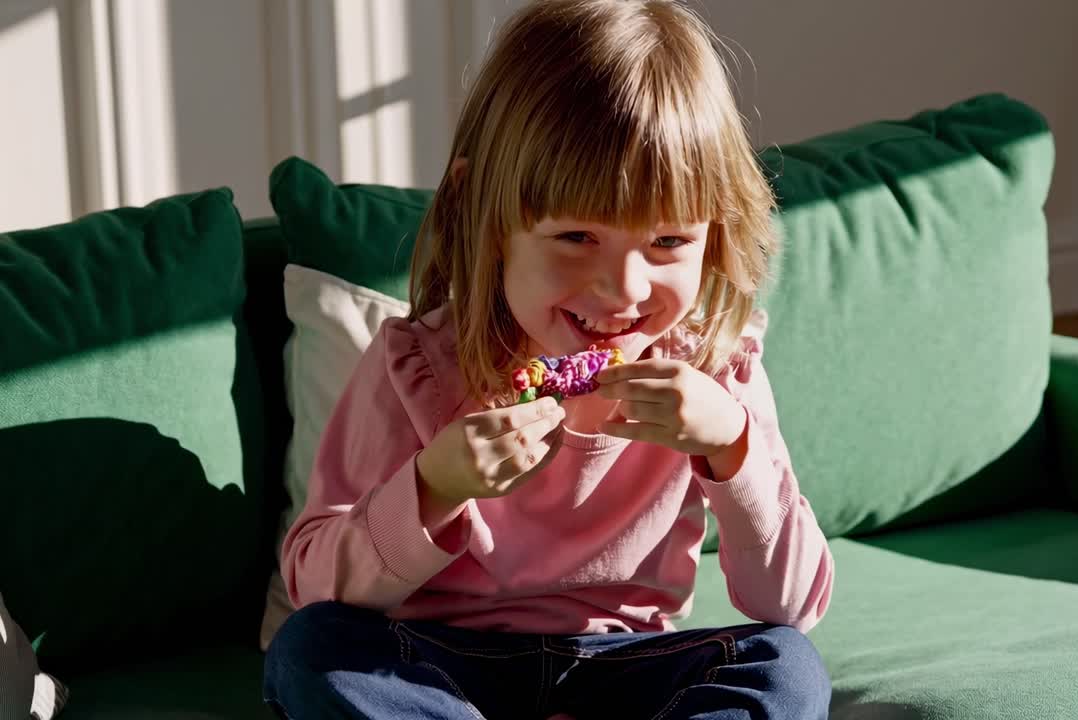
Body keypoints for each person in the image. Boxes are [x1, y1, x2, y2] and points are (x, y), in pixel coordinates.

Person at [264, 1, 834, 718]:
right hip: (435, 664)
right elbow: (316, 585)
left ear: (714, 234)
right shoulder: (417, 368)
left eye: (667, 244)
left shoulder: (719, 376)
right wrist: (434, 485)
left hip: (626, 662)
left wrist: (731, 449)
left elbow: (793, 602)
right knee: (311, 649)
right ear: (488, 218)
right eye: (576, 237)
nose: (623, 289)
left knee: (784, 666)